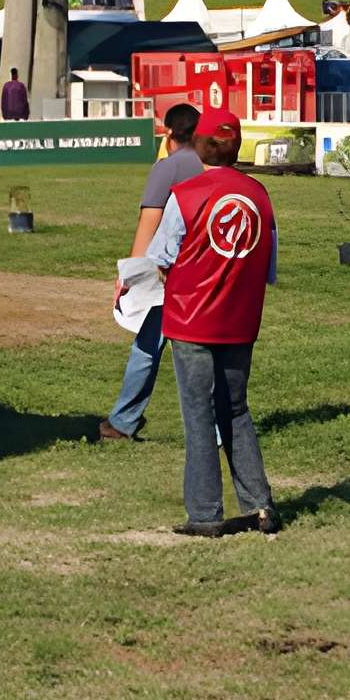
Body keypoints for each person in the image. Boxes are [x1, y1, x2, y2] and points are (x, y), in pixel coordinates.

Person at [148, 108, 277, 536]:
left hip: (191, 321)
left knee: (199, 414)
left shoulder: (184, 195)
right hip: (240, 321)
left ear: (201, 144)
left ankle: (205, 513)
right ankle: (259, 505)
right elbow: (268, 267)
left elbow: (160, 258)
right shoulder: (259, 196)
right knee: (236, 409)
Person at [99, 103, 205, 444]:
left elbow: (150, 223)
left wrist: (128, 277)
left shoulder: (167, 168)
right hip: (205, 269)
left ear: (169, 132)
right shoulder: (208, 166)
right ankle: (216, 429)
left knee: (147, 346)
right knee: (204, 350)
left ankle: (123, 421)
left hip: (166, 272)